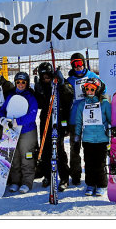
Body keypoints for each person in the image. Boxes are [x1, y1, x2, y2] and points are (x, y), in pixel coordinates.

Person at [34, 62, 74, 192]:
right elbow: (40, 105)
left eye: (48, 76)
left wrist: (61, 84)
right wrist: (38, 91)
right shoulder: (42, 86)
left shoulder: (60, 83)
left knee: (59, 149)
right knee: (45, 148)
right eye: (43, 77)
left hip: (59, 118)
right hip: (45, 119)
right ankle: (47, 175)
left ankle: (64, 178)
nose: (46, 79)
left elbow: (69, 96)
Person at [66, 52, 104, 185]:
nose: (77, 67)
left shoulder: (92, 76)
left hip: (91, 120)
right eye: (74, 64)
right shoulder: (69, 80)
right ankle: (75, 175)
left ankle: (93, 176)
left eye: (79, 63)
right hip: (74, 120)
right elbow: (64, 100)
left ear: (84, 63)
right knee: (75, 148)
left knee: (92, 148)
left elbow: (103, 91)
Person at [0, 72, 38, 194]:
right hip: (12, 132)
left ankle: (27, 182)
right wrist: (2, 120)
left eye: (23, 82)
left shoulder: (30, 97)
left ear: (27, 83)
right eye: (18, 82)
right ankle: (15, 181)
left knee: (26, 156)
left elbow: (32, 115)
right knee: (14, 157)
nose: (20, 84)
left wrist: (16, 122)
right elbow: (2, 110)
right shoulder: (11, 96)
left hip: (27, 131)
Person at [75, 78, 111, 196]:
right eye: (87, 89)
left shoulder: (104, 104)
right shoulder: (82, 105)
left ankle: (101, 185)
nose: (89, 91)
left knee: (100, 163)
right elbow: (79, 122)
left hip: (101, 139)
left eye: (92, 89)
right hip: (88, 139)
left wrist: (112, 131)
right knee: (89, 163)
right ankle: (90, 184)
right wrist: (77, 137)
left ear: (98, 90)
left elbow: (111, 120)